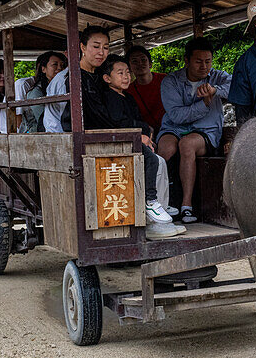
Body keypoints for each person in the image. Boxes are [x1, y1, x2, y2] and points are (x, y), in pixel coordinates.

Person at [97, 54, 183, 236]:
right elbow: (119, 123)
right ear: (107, 78)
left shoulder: (127, 97)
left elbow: (138, 120)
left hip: (137, 140)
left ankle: (161, 212)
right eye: (120, 73)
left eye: (128, 72)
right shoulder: (109, 97)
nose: (126, 76)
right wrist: (139, 134)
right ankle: (151, 207)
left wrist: (147, 132)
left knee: (160, 162)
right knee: (154, 162)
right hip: (123, 145)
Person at [157, 37, 231, 224]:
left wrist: (215, 91)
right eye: (198, 61)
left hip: (206, 130)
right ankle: (159, 203)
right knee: (165, 150)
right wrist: (205, 103)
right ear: (186, 61)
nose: (204, 66)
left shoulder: (217, 77)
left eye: (208, 61)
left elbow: (237, 87)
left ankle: (186, 206)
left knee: (187, 144)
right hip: (174, 127)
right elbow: (177, 116)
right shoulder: (170, 81)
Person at [44, 25, 111, 133]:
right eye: (96, 46)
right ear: (83, 47)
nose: (101, 52)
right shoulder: (68, 78)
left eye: (106, 47)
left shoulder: (102, 77)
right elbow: (58, 120)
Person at [20, 51, 66, 133]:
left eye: (62, 65)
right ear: (43, 69)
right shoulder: (35, 93)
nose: (59, 68)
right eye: (55, 64)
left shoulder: (61, 88)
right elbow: (46, 120)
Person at [125, 45, 166, 133]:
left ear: (150, 64)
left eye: (143, 60)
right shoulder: (128, 91)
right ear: (129, 67)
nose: (140, 64)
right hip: (148, 134)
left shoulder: (166, 80)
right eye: (134, 61)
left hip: (171, 129)